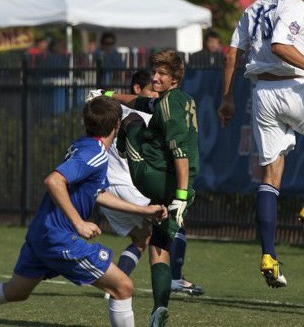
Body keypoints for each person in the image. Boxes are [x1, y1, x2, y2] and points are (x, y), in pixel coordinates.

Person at [217, 0, 304, 288]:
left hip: (262, 92)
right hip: (293, 86)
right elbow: (280, 46)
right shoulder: (296, 5)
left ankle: (269, 256)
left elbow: (231, 54)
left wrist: (228, 98)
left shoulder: (255, 6)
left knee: (271, 174)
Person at [0, 97, 167, 327]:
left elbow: (98, 193)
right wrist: (79, 222)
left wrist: (143, 210)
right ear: (117, 125)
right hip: (58, 237)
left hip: (43, 232)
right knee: (123, 287)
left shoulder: (85, 145)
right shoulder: (94, 155)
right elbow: (54, 181)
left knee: (16, 291)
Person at [94, 49, 200, 326]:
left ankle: (121, 145)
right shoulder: (181, 100)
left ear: (175, 77)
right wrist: (107, 95)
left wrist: (176, 196)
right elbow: (139, 100)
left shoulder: (167, 106)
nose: (155, 77)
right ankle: (159, 308)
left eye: (162, 73)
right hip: (185, 188)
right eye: (154, 72)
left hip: (158, 179)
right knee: (159, 245)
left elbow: (181, 155)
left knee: (130, 121)